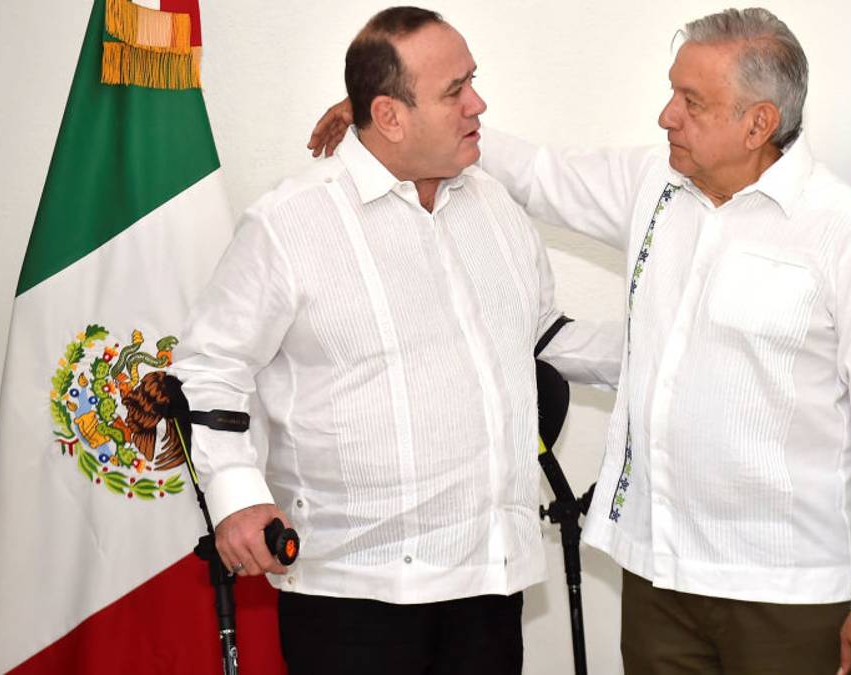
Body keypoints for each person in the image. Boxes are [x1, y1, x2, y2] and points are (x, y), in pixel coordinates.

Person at [309, 6, 851, 675]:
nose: (667, 116)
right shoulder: (653, 184)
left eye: (691, 102)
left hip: (787, 593)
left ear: (758, 124)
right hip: (656, 575)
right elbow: (538, 172)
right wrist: (389, 118)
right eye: (672, 92)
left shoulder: (849, 232)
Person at [174, 7, 619, 674]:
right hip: (353, 595)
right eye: (454, 91)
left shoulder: (496, 207)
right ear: (389, 116)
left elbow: (539, 336)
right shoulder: (289, 223)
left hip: (489, 584)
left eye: (472, 81)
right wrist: (238, 496)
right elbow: (211, 366)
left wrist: (666, 349)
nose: (478, 104)